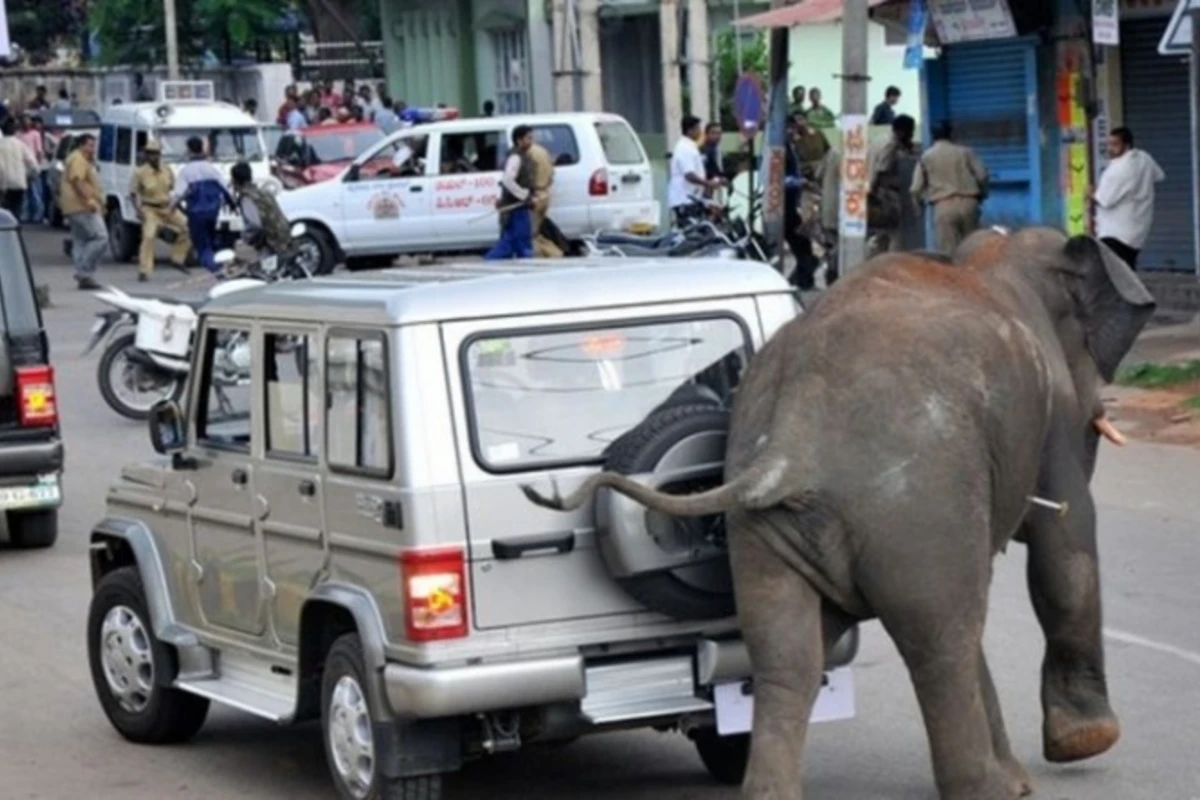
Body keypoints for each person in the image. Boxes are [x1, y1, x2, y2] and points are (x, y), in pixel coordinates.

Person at [911, 121, 989, 254]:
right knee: (974, 249)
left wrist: (918, 206)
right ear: (951, 134)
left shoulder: (926, 157)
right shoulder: (965, 152)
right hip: (969, 203)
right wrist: (982, 194)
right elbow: (982, 175)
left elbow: (915, 189)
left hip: (943, 205)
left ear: (933, 135)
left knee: (948, 253)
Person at [1092, 126, 1164, 270]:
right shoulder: (1144, 158)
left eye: (1115, 144)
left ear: (1127, 145)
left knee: (1114, 276)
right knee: (1128, 273)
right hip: (1137, 231)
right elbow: (1159, 176)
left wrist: (1091, 193)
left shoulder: (1120, 170)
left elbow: (1104, 200)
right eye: (1109, 144)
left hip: (1115, 233)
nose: (1110, 148)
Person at [130, 139, 191, 281]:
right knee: (149, 235)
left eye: (155, 153)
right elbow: (134, 193)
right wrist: (138, 210)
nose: (152, 156)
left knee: (188, 228)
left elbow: (174, 189)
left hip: (167, 207)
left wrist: (177, 206)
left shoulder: (167, 169)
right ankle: (144, 270)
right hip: (150, 208)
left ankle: (177, 259)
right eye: (149, 153)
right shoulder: (140, 172)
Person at [171, 136, 233, 272]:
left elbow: (178, 194)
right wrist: (232, 205)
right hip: (213, 211)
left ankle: (216, 270)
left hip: (196, 213)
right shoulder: (211, 169)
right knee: (210, 240)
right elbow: (226, 189)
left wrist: (171, 207)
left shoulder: (186, 171)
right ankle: (219, 263)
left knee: (202, 245)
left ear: (189, 150)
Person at [59, 133, 107, 289]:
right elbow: (77, 181)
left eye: (94, 145)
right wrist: (90, 201)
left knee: (81, 240)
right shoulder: (78, 159)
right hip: (82, 206)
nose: (93, 149)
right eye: (90, 145)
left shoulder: (80, 159)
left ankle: (84, 277)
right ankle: (84, 272)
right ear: (81, 145)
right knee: (100, 237)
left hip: (73, 206)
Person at [867, 113, 917, 254]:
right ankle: (893, 262)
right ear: (902, 131)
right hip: (885, 194)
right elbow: (881, 171)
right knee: (896, 234)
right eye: (910, 132)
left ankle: (872, 260)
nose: (911, 135)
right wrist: (874, 192)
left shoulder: (879, 140)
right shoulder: (891, 145)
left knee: (882, 232)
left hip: (876, 193)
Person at [486, 125, 537, 260]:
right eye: (529, 138)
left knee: (517, 244)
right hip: (515, 208)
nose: (532, 141)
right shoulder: (516, 158)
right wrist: (524, 195)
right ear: (519, 140)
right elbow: (508, 180)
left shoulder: (522, 156)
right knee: (513, 244)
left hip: (518, 207)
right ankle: (488, 263)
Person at [784, 115, 819, 290]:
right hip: (786, 206)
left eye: (793, 128)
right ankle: (804, 283)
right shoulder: (780, 148)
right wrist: (799, 182)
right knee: (802, 246)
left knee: (803, 246)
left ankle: (799, 281)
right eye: (789, 128)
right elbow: (776, 179)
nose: (792, 132)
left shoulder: (792, 146)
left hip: (793, 203)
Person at [230, 161, 292, 259]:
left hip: (271, 242)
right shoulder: (262, 192)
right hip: (284, 235)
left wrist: (244, 237)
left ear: (236, 181)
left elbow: (255, 224)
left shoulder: (247, 198)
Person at [668, 115, 720, 226]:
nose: (700, 132)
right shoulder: (685, 148)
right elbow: (689, 175)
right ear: (690, 130)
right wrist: (708, 183)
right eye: (698, 129)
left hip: (692, 199)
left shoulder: (690, 146)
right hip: (685, 200)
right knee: (691, 235)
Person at [527, 134, 562, 258]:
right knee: (536, 231)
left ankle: (551, 253)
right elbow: (552, 174)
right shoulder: (542, 151)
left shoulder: (525, 154)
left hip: (533, 197)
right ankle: (553, 252)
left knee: (530, 234)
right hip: (544, 194)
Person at [0, 117, 39, 219]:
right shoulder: (21, 145)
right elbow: (33, 165)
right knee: (16, 211)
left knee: (4, 214)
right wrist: (29, 177)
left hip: (3, 184)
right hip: (19, 183)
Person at [16, 115, 46, 224]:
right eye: (23, 121)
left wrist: (38, 164)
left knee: (35, 192)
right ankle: (25, 214)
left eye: (27, 121)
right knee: (24, 192)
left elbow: (39, 151)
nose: (25, 123)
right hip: (21, 166)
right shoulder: (17, 135)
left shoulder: (35, 134)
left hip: (32, 166)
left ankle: (38, 215)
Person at [701, 122, 724, 186]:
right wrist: (718, 178)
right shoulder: (703, 149)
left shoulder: (713, 147)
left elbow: (712, 164)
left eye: (719, 133)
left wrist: (721, 177)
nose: (717, 136)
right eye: (713, 133)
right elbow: (705, 168)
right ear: (706, 134)